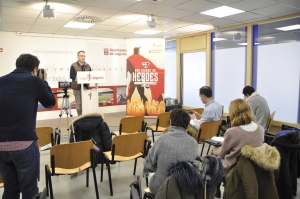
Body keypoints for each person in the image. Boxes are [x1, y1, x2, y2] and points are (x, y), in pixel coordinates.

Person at [0, 54, 56, 199]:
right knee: (29, 189)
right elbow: (50, 103)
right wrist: (44, 82)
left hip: (1, 145)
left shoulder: (1, 80)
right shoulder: (35, 80)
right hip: (24, 143)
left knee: (10, 188)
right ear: (35, 69)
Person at [213, 98, 264, 198]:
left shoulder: (232, 132)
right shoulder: (260, 129)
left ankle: (216, 188)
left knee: (213, 158)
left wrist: (215, 150)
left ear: (233, 114)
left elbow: (222, 153)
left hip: (233, 169)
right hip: (255, 167)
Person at [143, 108, 199, 195]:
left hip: (161, 190)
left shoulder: (162, 139)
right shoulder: (193, 143)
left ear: (170, 122)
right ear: (188, 125)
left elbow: (149, 167)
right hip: (184, 191)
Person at [70, 50, 91, 116]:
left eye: (84, 56)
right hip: (77, 88)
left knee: (86, 103)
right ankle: (80, 117)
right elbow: (71, 75)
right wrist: (79, 78)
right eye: (81, 56)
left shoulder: (88, 66)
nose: (83, 57)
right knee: (78, 103)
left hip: (85, 87)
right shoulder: (73, 65)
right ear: (78, 57)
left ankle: (85, 117)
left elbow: (91, 75)